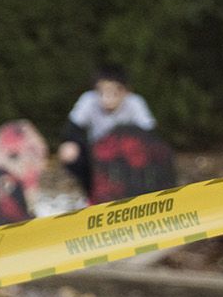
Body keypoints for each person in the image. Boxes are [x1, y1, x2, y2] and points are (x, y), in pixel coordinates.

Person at [56, 64, 155, 197]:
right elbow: (71, 130)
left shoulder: (135, 103)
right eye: (102, 92)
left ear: (126, 91)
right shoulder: (88, 100)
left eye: (114, 92)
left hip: (125, 155)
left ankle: (135, 194)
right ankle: (92, 194)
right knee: (69, 151)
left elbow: (149, 135)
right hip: (97, 155)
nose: (107, 98)